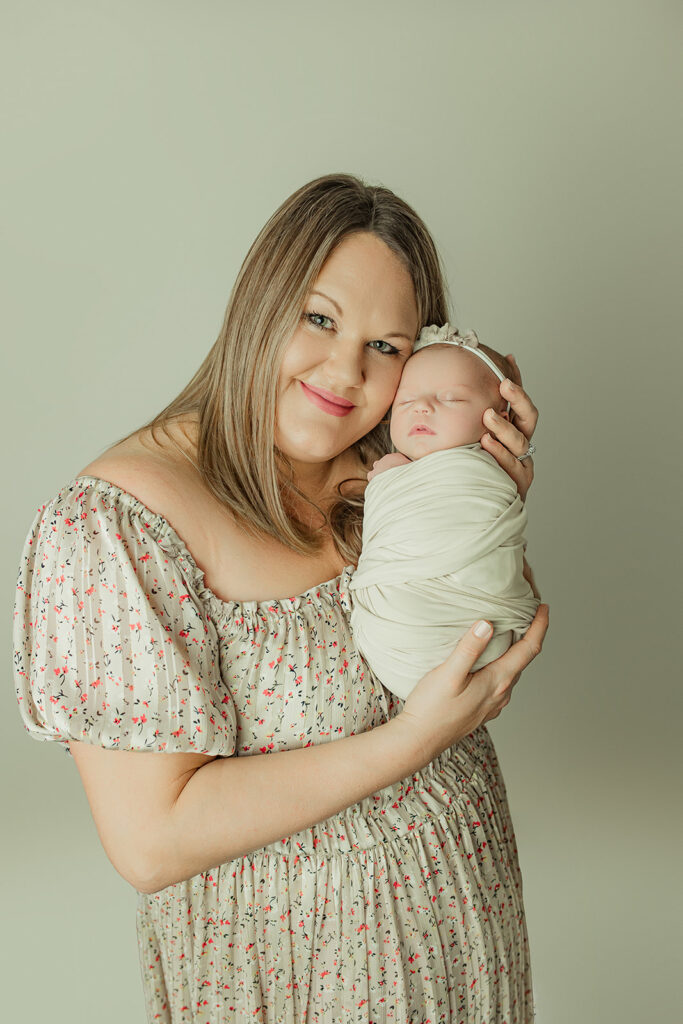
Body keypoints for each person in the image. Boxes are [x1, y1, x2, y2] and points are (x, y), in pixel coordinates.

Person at [12, 173, 549, 1023]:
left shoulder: (393, 472)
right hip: (296, 967)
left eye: (387, 346)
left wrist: (482, 487)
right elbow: (151, 842)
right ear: (259, 304)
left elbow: (473, 637)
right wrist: (412, 741)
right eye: (319, 318)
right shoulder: (118, 524)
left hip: (462, 929)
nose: (344, 370)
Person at [348, 324, 540, 701]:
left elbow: (488, 549)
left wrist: (389, 482)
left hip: (469, 634)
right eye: (405, 401)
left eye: (451, 398)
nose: (422, 407)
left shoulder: (488, 473)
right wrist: (390, 485)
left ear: (500, 414)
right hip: (406, 642)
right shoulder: (396, 472)